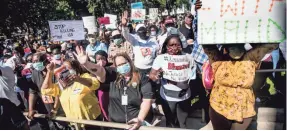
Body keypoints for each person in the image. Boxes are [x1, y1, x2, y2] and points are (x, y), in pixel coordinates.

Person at [75, 45, 154, 129]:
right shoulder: (113, 75)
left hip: (135, 124)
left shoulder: (142, 78)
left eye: (124, 63)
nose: (122, 66)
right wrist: (86, 64)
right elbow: (100, 70)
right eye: (119, 65)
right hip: (115, 125)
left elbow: (147, 101)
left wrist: (140, 119)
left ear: (130, 62)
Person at [202, 43, 279, 130]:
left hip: (244, 109)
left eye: (238, 46)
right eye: (232, 47)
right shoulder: (218, 59)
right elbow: (207, 45)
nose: (235, 50)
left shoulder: (250, 58)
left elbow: (271, 44)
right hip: (219, 107)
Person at [149, 35, 196, 128]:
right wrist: (157, 76)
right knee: (170, 122)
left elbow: (193, 73)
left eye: (177, 45)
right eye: (172, 45)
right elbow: (151, 75)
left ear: (181, 45)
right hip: (168, 97)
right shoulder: (160, 58)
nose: (174, 47)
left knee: (183, 122)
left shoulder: (189, 57)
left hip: (185, 96)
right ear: (166, 46)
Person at [41, 59, 102, 129]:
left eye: (68, 68)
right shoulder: (61, 85)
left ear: (75, 69)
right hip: (75, 124)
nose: (65, 70)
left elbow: (95, 84)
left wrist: (78, 79)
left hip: (91, 122)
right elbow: (44, 90)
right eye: (63, 68)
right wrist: (50, 72)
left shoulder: (85, 77)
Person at [121, 11, 160, 77]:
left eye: (143, 31)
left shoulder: (153, 40)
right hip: (138, 69)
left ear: (146, 31)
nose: (142, 33)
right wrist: (124, 25)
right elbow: (126, 35)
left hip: (150, 68)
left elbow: (157, 52)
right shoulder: (134, 39)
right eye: (140, 31)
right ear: (137, 33)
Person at [94, 50, 114, 121]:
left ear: (106, 59)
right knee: (105, 111)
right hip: (102, 94)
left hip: (113, 93)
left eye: (103, 59)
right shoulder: (93, 71)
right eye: (98, 59)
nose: (101, 61)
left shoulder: (112, 69)